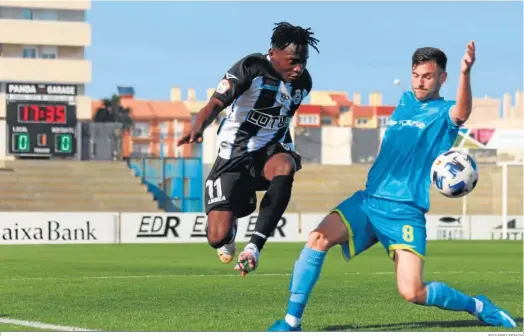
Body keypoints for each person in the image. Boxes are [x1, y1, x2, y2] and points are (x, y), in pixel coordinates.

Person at [268, 42, 518, 331]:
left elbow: (461, 113)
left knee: (413, 292)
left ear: (442, 78)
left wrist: (465, 72)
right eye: (415, 75)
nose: (420, 82)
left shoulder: (444, 113)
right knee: (317, 239)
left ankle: (478, 306)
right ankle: (290, 322)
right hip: (369, 201)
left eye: (427, 76)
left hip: (405, 212)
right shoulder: (404, 101)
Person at [177, 22, 319, 276]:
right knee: (216, 237)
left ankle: (254, 248)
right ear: (273, 53)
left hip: (268, 154)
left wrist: (286, 149)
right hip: (233, 154)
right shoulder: (251, 67)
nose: (299, 68)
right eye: (293, 61)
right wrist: (198, 126)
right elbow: (215, 104)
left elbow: (283, 118)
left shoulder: (302, 84)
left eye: (304, 61)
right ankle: (232, 225)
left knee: (285, 166)